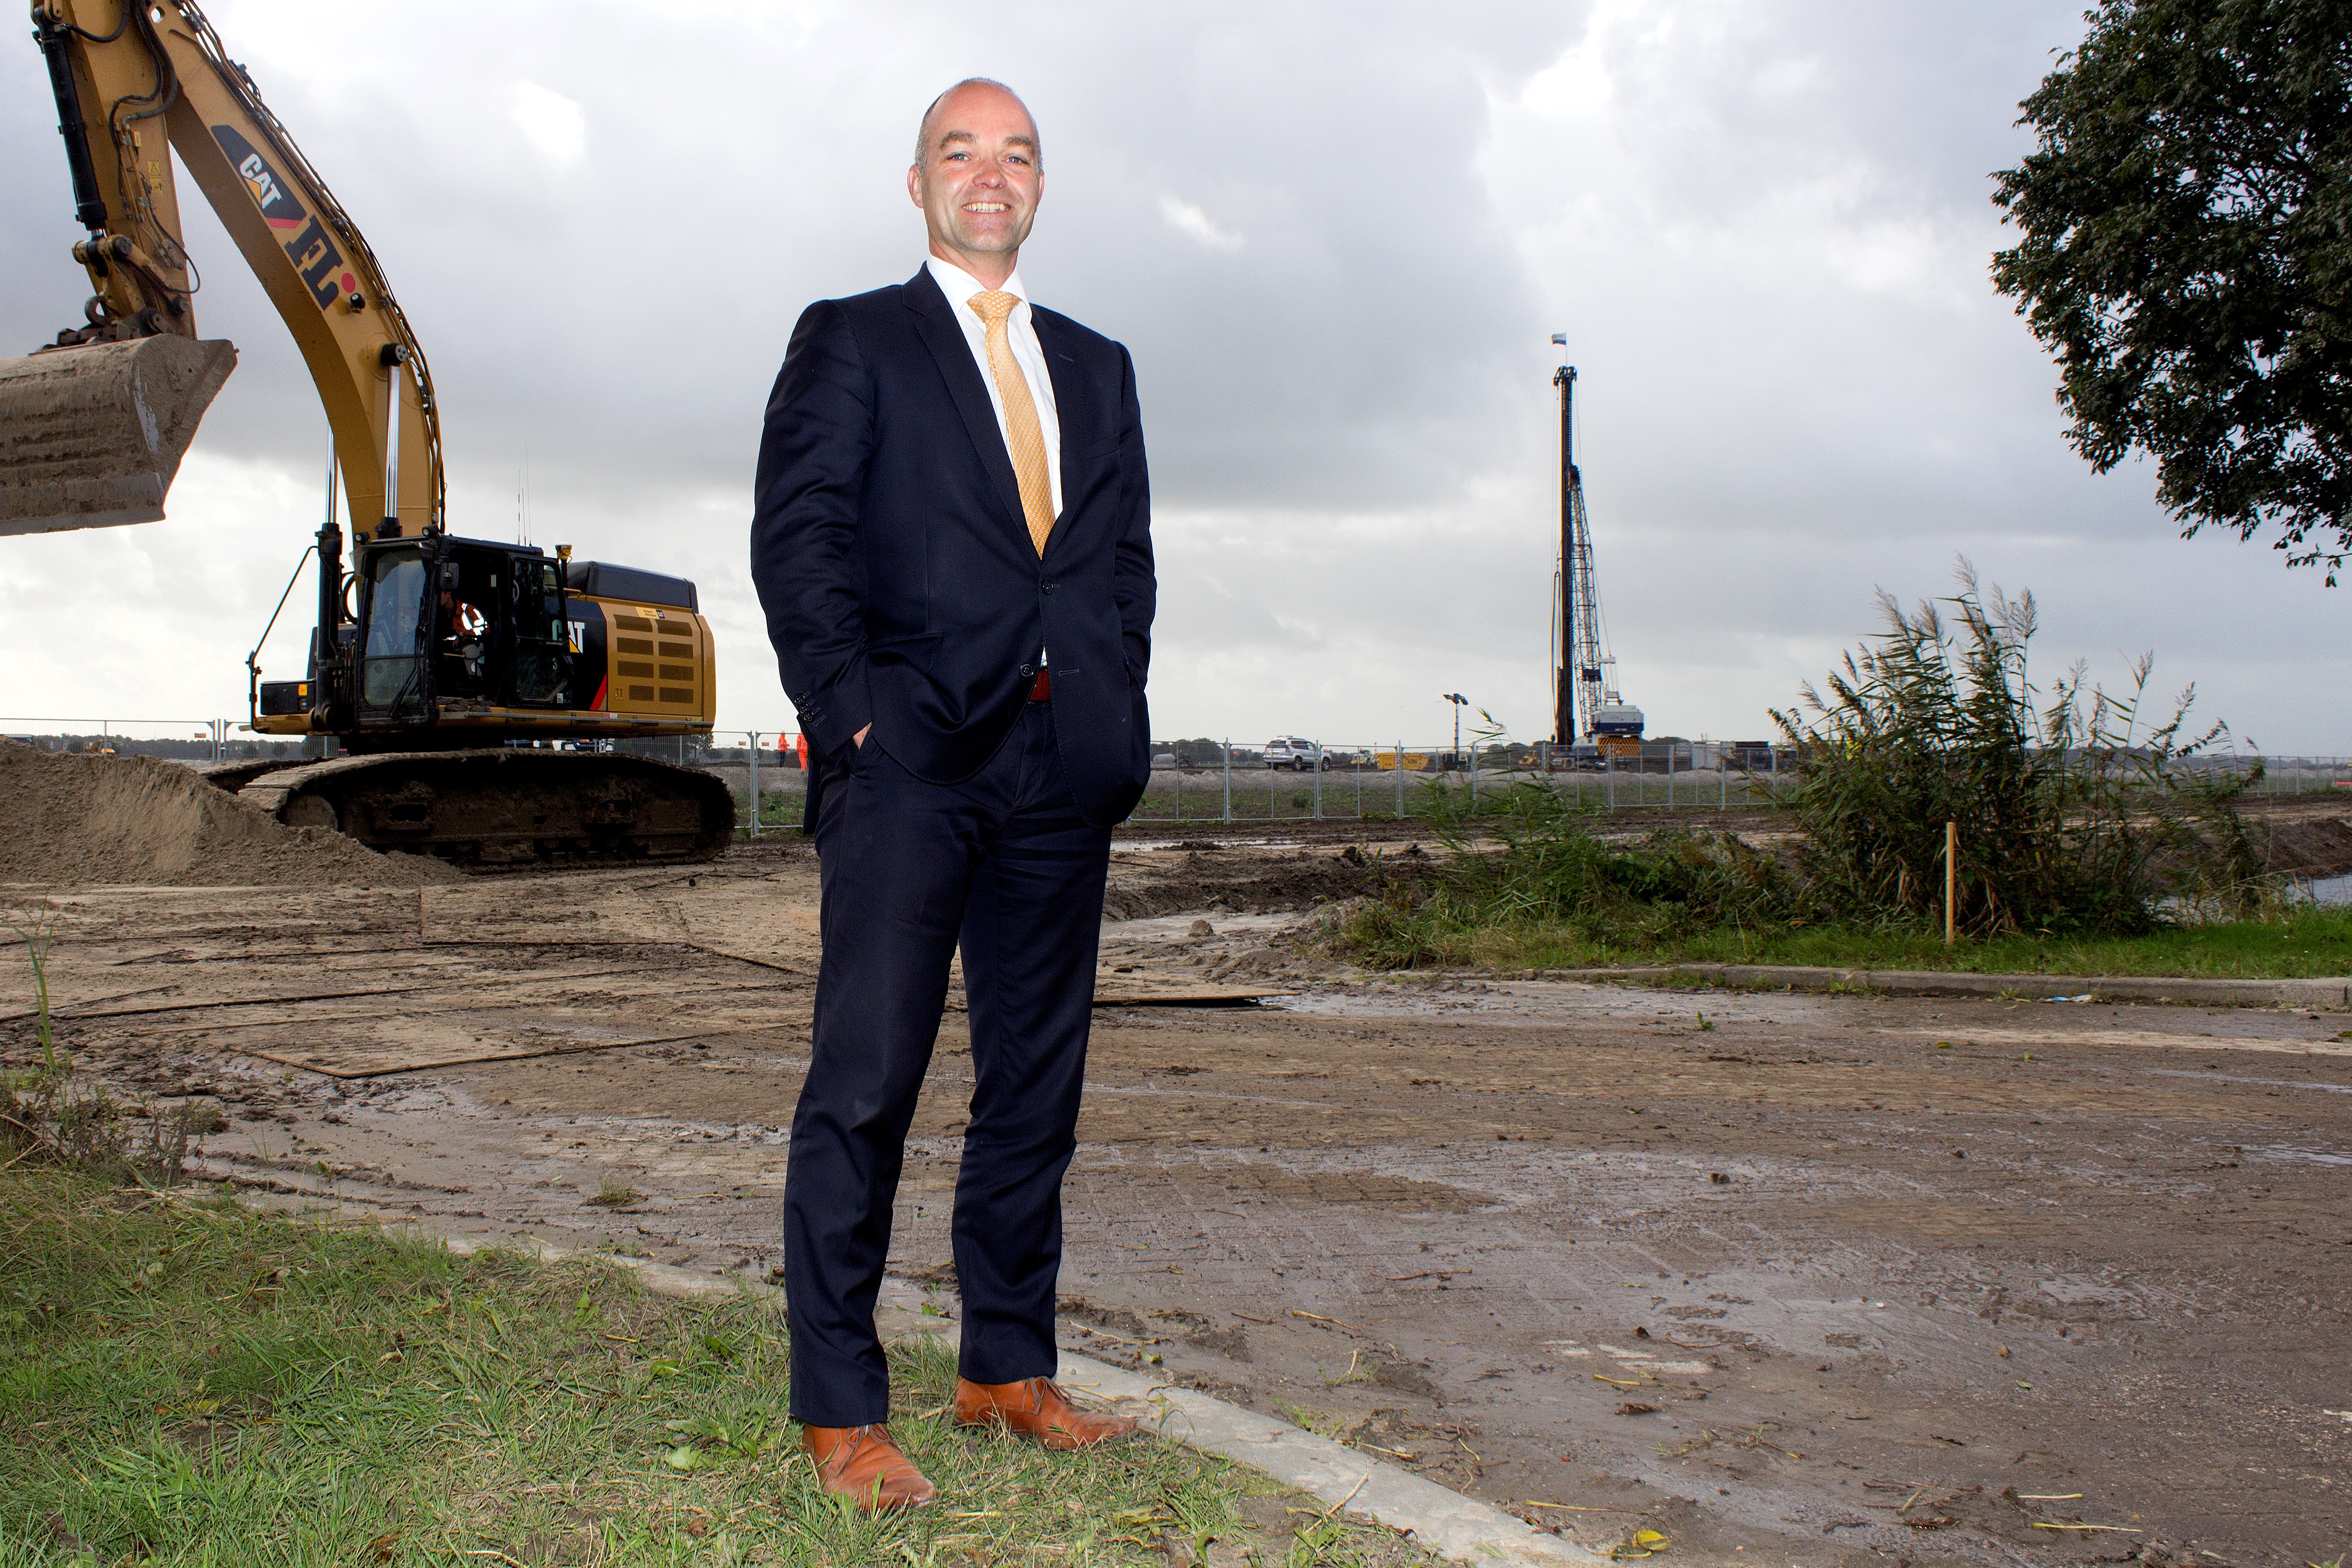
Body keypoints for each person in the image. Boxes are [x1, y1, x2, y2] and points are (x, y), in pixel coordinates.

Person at [749, 78, 1156, 1511]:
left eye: (1017, 154)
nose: (992, 174)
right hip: (911, 764)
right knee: (867, 1081)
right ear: (917, 182)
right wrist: (852, 715)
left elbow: (1119, 561)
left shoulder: (1097, 366)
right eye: (961, 151)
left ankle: (1006, 1365)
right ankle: (841, 1408)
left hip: (1062, 760)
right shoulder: (854, 339)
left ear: (1040, 184)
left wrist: (1114, 697)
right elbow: (798, 539)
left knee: (1036, 1082)